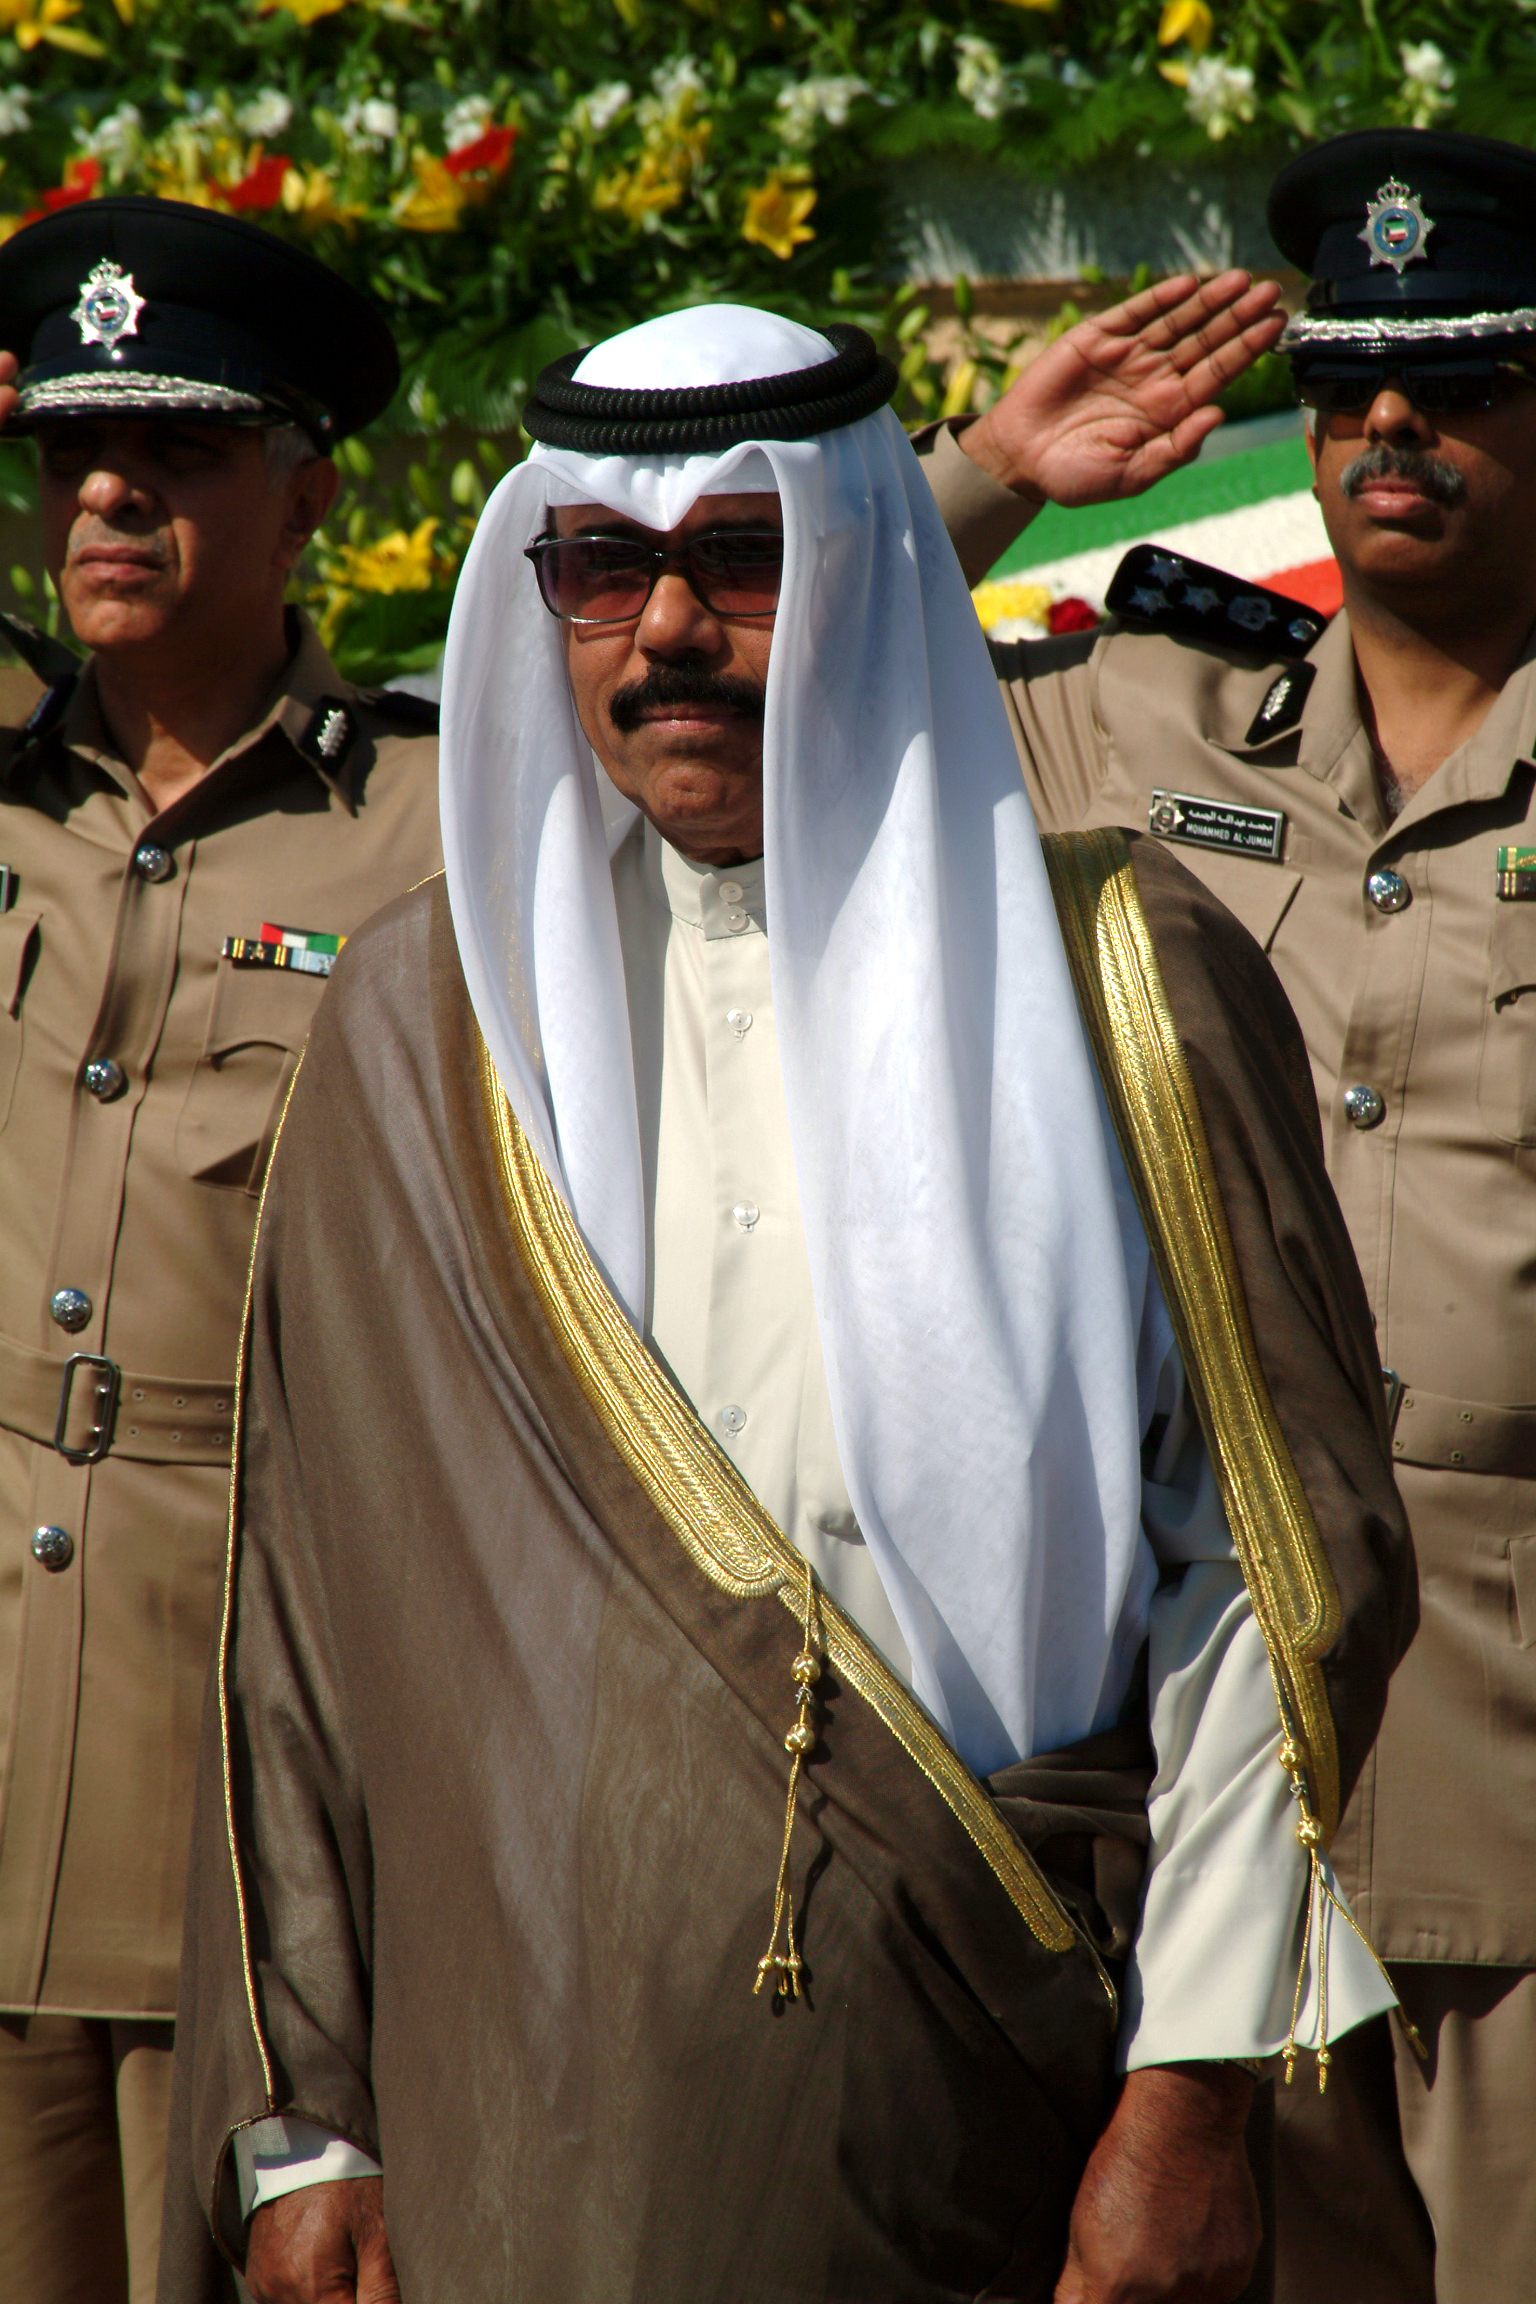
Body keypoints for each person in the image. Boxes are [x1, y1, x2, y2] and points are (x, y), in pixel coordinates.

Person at [161, 304, 1413, 2304]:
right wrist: (306, 2129)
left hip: (1011, 2089)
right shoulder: (420, 1024)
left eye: (739, 559)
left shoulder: (1119, 979)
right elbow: (298, 1617)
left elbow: (1270, 1579)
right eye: (603, 567)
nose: (665, 627)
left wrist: (1190, 2102)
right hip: (510, 2111)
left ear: (859, 571)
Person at [920, 126, 1536, 2304]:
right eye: (1347, 382)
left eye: (1460, 382)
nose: (1390, 425)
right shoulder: (1148, 709)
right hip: (1206, 1762)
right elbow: (758, 703)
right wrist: (986, 476)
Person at [0, 196, 443, 2304]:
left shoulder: (430, 815)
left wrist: (981, 479)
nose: (106, 495)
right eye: (69, 454)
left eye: (173, 451)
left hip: (234, 1768)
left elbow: (706, 691)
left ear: (309, 494)